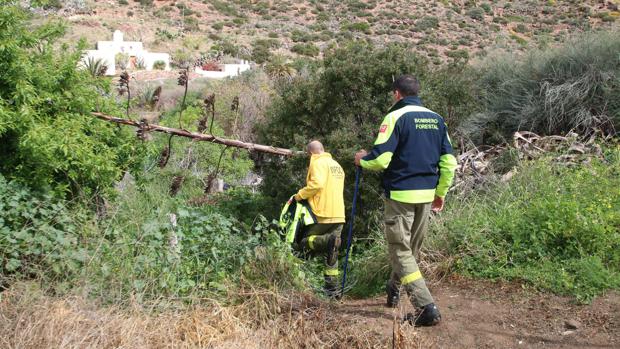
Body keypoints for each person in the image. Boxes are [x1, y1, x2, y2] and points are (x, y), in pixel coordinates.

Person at [354, 75, 457, 326]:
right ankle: (393, 288)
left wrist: (361, 159)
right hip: (426, 195)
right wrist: (440, 192)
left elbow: (380, 159)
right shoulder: (437, 120)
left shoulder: (395, 117)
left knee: (400, 250)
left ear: (397, 94)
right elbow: (450, 162)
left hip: (400, 194)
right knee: (410, 250)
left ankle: (426, 307)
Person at [295, 140, 346, 297]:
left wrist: (299, 196)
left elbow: (317, 185)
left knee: (302, 243)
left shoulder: (317, 163)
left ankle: (299, 285)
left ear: (311, 153)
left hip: (323, 213)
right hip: (339, 214)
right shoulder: (336, 165)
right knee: (332, 254)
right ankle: (333, 290)